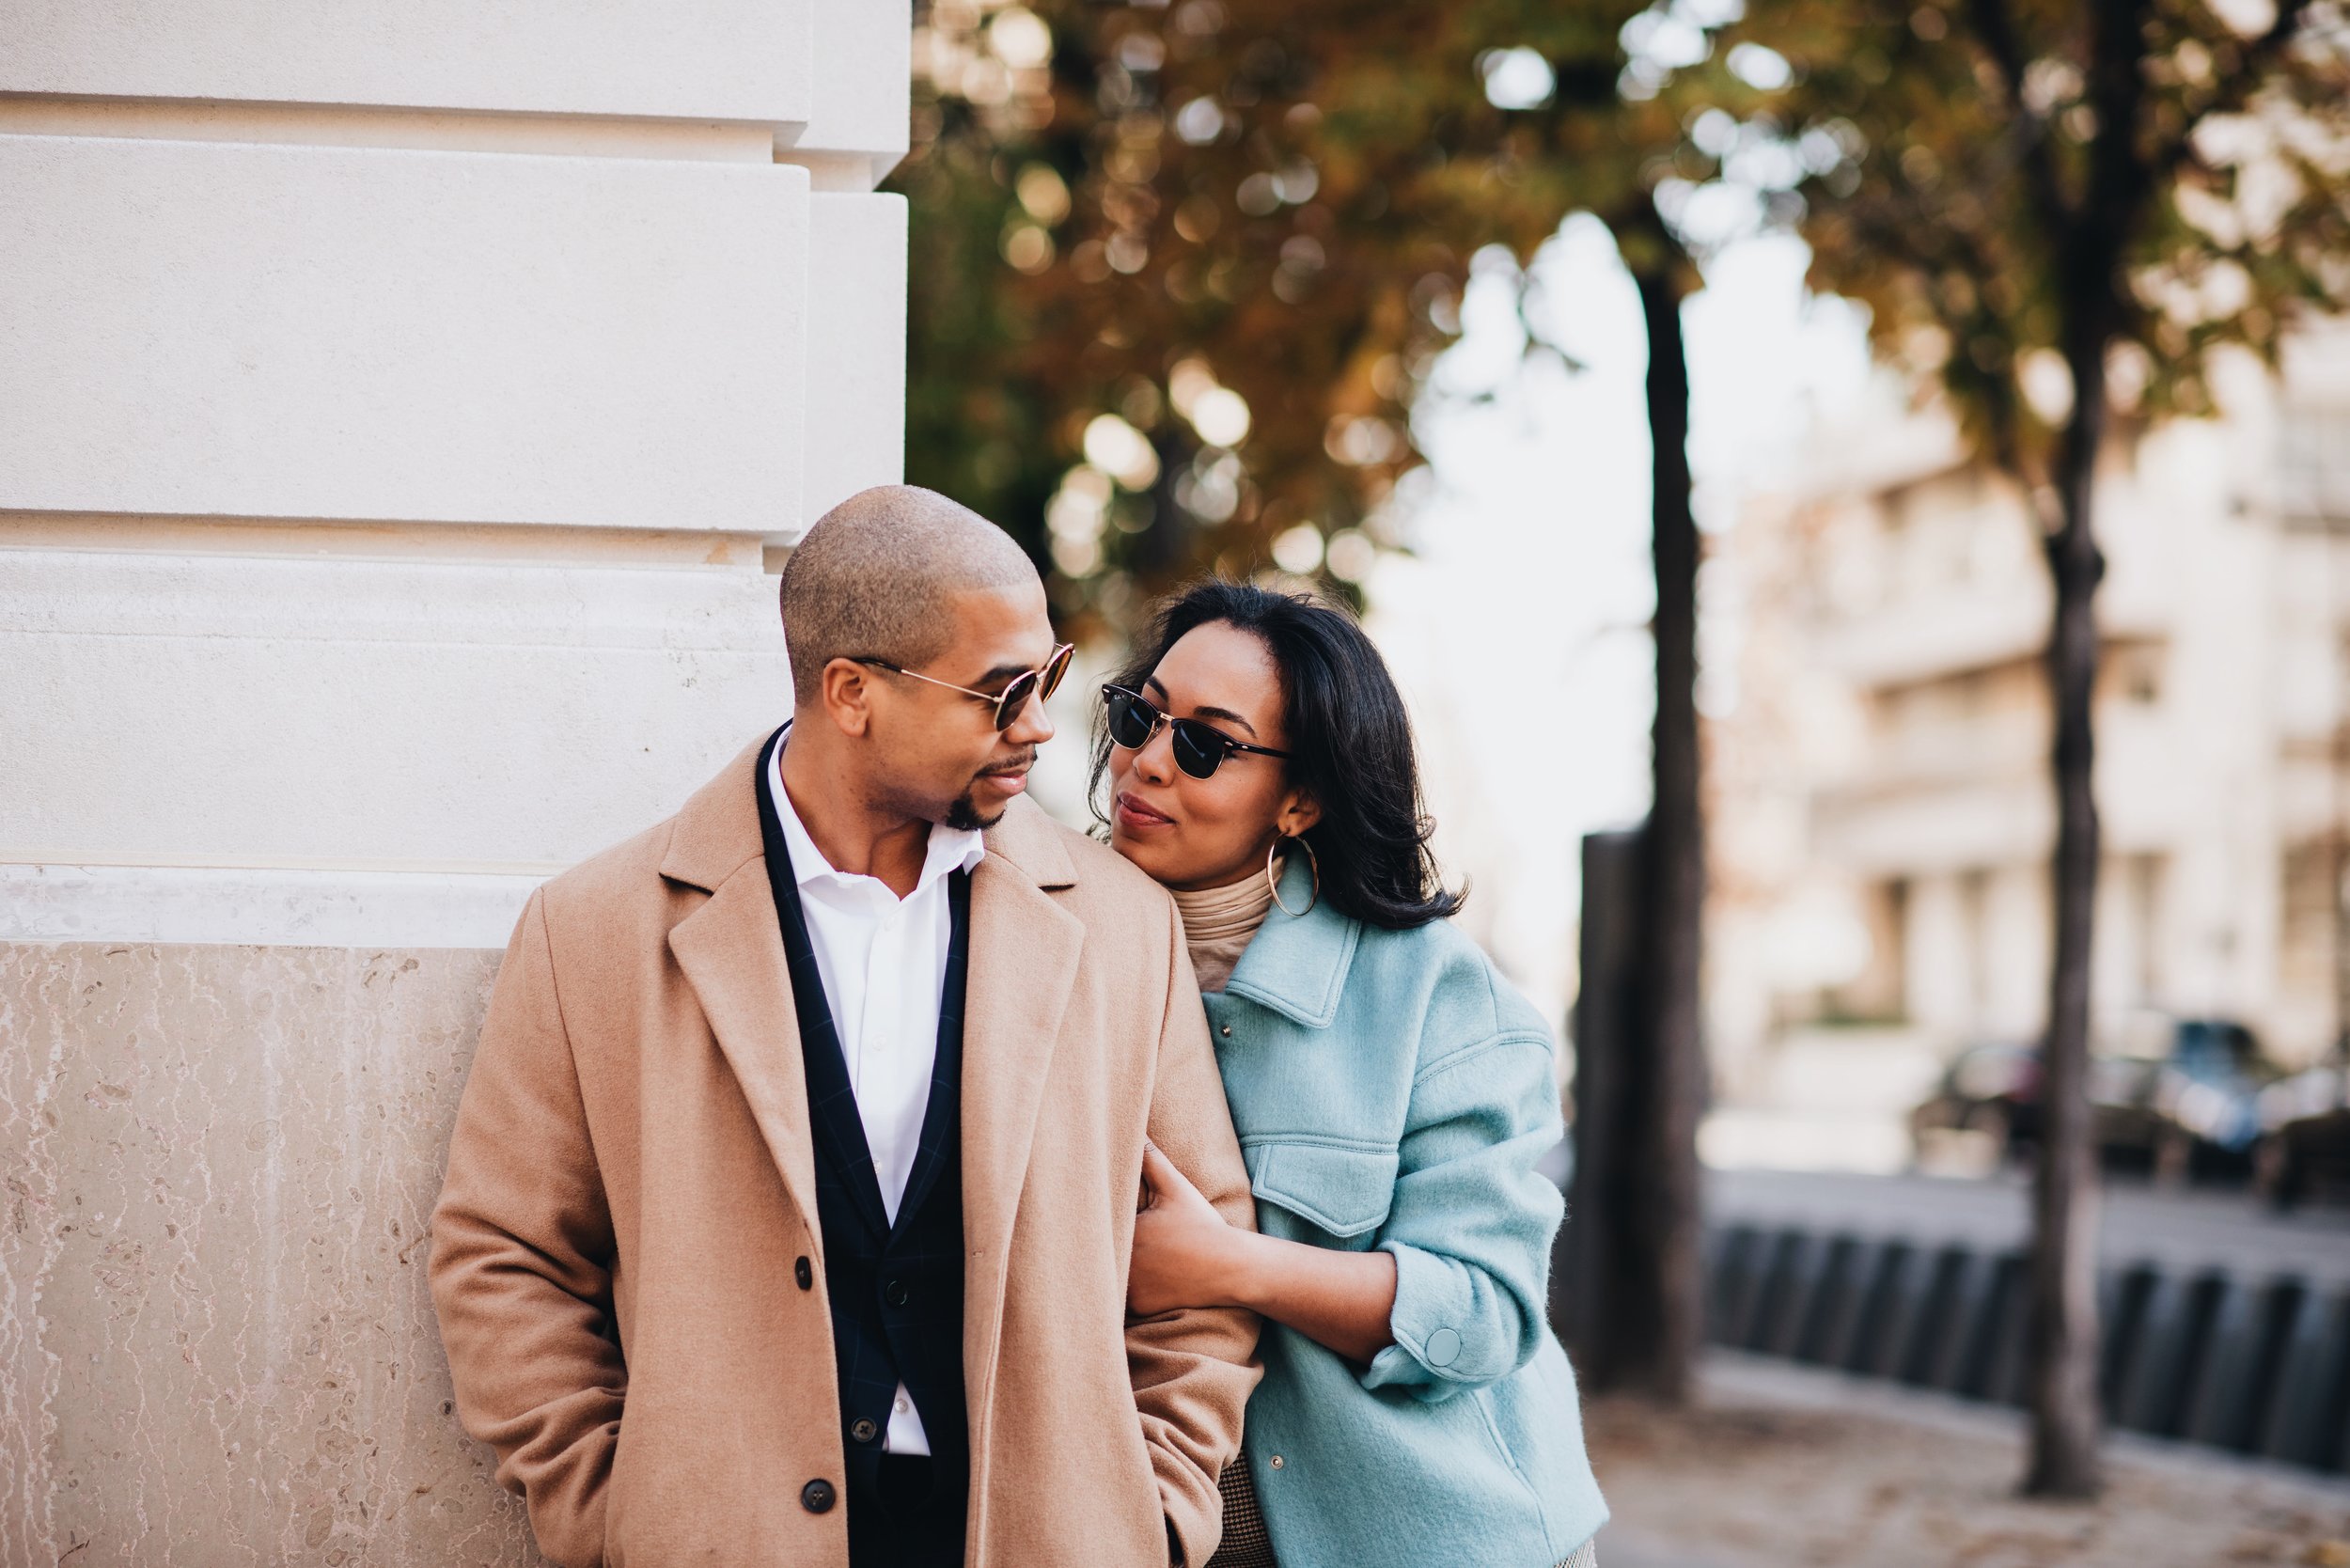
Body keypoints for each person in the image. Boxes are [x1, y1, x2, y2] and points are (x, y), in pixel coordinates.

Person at [430, 487, 1261, 1568]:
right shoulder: (592, 930)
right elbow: (504, 1255)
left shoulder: (1119, 927)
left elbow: (1208, 1269)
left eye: (1046, 679)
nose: (1038, 727)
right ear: (852, 692)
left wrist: (1147, 1511)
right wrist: (613, 1514)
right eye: (1000, 692)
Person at [1106, 580, 1608, 1568]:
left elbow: (1481, 1317)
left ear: (1301, 799)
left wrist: (1223, 1267)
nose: (1149, 762)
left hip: (1433, 1537)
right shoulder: (1046, 951)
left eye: (1207, 744)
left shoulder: (1447, 1003)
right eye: (1140, 715)